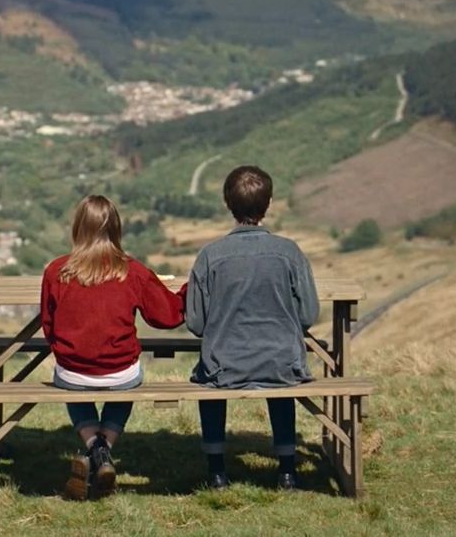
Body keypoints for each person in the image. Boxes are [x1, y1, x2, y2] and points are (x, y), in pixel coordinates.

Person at [40, 194, 185, 500]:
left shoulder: (55, 271)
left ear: (78, 227)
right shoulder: (132, 271)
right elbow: (167, 316)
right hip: (121, 372)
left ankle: (94, 447)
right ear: (117, 229)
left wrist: (69, 351)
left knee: (72, 380)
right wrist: (187, 291)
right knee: (127, 381)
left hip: (72, 372)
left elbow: (48, 326)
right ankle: (103, 451)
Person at [185, 165, 319, 490]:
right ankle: (287, 470)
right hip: (282, 363)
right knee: (277, 361)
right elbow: (308, 314)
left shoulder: (209, 256)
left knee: (208, 375)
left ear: (227, 203)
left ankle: (217, 471)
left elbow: (196, 323)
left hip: (224, 366)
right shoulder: (290, 252)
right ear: (269, 203)